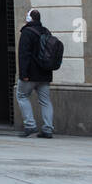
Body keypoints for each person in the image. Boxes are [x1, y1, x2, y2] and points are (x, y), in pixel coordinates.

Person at [16, 8, 55, 138]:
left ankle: (30, 125)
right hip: (45, 73)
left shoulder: (27, 32)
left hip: (31, 74)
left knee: (22, 96)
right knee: (45, 101)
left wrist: (23, 74)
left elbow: (24, 55)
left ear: (28, 18)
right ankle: (48, 129)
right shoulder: (46, 31)